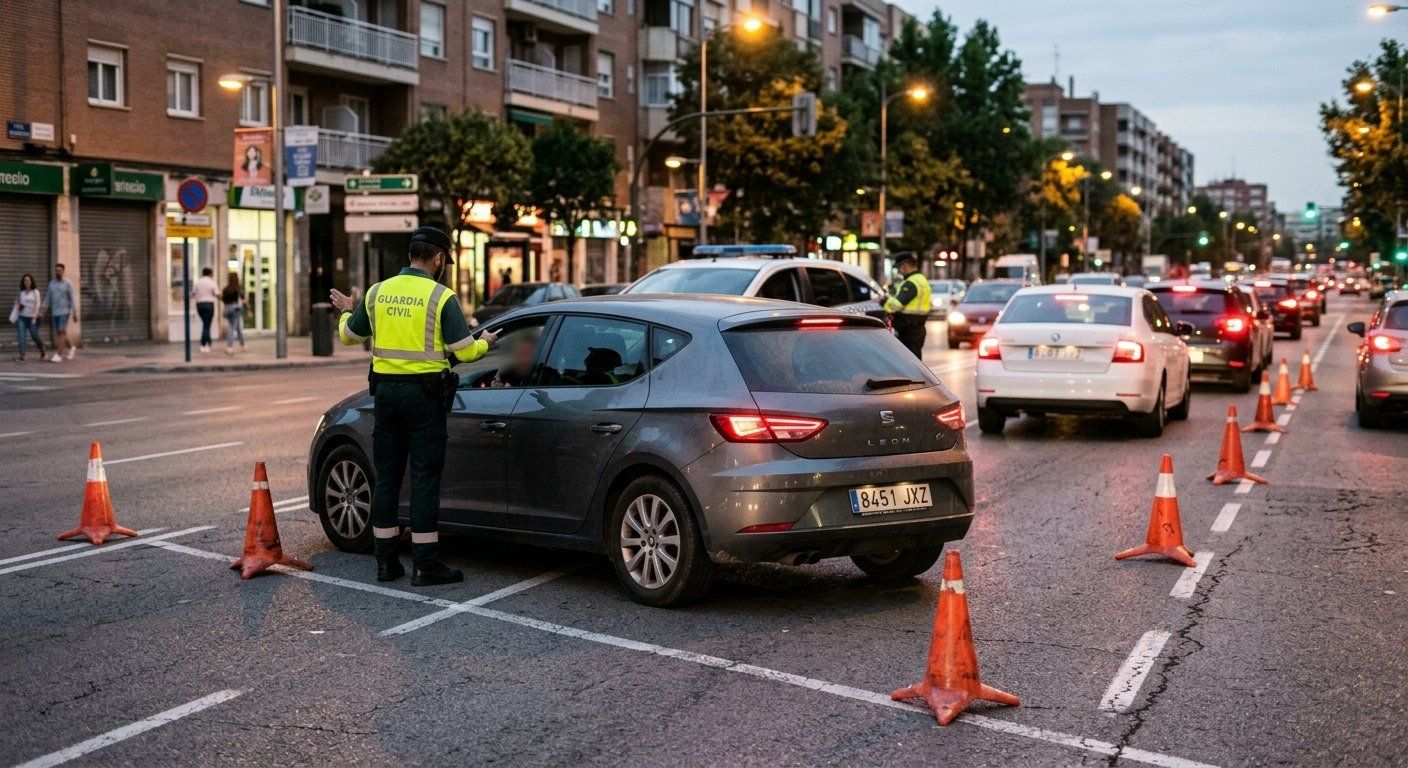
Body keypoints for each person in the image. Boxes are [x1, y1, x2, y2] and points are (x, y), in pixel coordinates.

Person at [329, 226, 499, 587]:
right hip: (424, 399)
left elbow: (348, 336)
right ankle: (426, 565)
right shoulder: (441, 297)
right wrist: (484, 343)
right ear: (438, 258)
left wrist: (347, 310)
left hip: (385, 397)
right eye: (444, 261)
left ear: (411, 255)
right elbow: (466, 352)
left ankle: (386, 563)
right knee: (424, 478)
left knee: (387, 477)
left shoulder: (378, 292)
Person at [884, 252, 932, 360]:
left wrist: (884, 301)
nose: (899, 271)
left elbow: (897, 305)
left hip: (908, 329)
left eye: (898, 268)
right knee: (914, 361)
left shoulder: (911, 283)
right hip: (917, 327)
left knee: (909, 362)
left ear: (905, 265)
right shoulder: (921, 279)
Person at [42, 263, 78, 362]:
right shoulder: (51, 284)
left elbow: (72, 299)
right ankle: (72, 348)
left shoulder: (68, 283)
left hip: (64, 312)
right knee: (61, 333)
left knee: (61, 333)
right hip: (54, 312)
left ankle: (58, 354)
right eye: (56, 270)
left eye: (59, 270)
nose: (57, 272)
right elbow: (47, 298)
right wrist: (42, 311)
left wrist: (75, 312)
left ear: (63, 271)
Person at [13, 274, 46, 362]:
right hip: (22, 317)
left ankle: (42, 351)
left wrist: (34, 317)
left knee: (34, 335)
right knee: (21, 336)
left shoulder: (35, 292)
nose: (27, 282)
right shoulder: (22, 292)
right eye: (25, 281)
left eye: (28, 280)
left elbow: (38, 305)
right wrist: (17, 303)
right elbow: (21, 306)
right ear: (23, 282)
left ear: (31, 282)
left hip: (32, 318)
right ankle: (22, 355)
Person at [192, 268, 220, 353]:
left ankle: (208, 342)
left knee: (205, 324)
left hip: (199, 304)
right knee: (206, 325)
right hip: (209, 304)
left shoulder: (198, 282)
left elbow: (193, 293)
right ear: (210, 274)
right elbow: (217, 294)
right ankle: (204, 344)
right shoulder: (212, 282)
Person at [221, 272, 245, 355]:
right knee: (232, 327)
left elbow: (223, 299)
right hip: (235, 309)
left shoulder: (225, 289)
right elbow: (244, 299)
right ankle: (229, 347)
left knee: (237, 327)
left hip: (227, 309)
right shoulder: (238, 288)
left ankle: (243, 344)